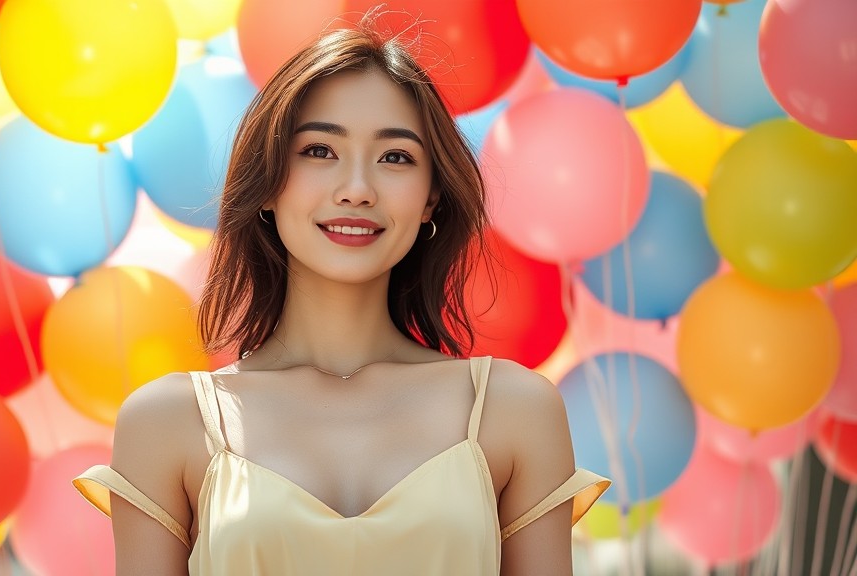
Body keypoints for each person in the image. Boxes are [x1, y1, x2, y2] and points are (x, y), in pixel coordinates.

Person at [74, 12, 609, 576]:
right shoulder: (166, 422)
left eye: (395, 157)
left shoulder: (514, 410)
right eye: (320, 151)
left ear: (430, 199)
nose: (357, 189)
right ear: (267, 183)